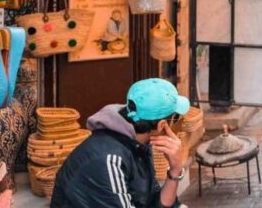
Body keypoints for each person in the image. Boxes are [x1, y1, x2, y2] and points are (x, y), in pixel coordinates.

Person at [50, 78, 190, 207]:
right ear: (162, 125)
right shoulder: (109, 159)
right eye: (174, 119)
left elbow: (153, 202)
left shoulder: (139, 141)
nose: (175, 124)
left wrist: (175, 169)